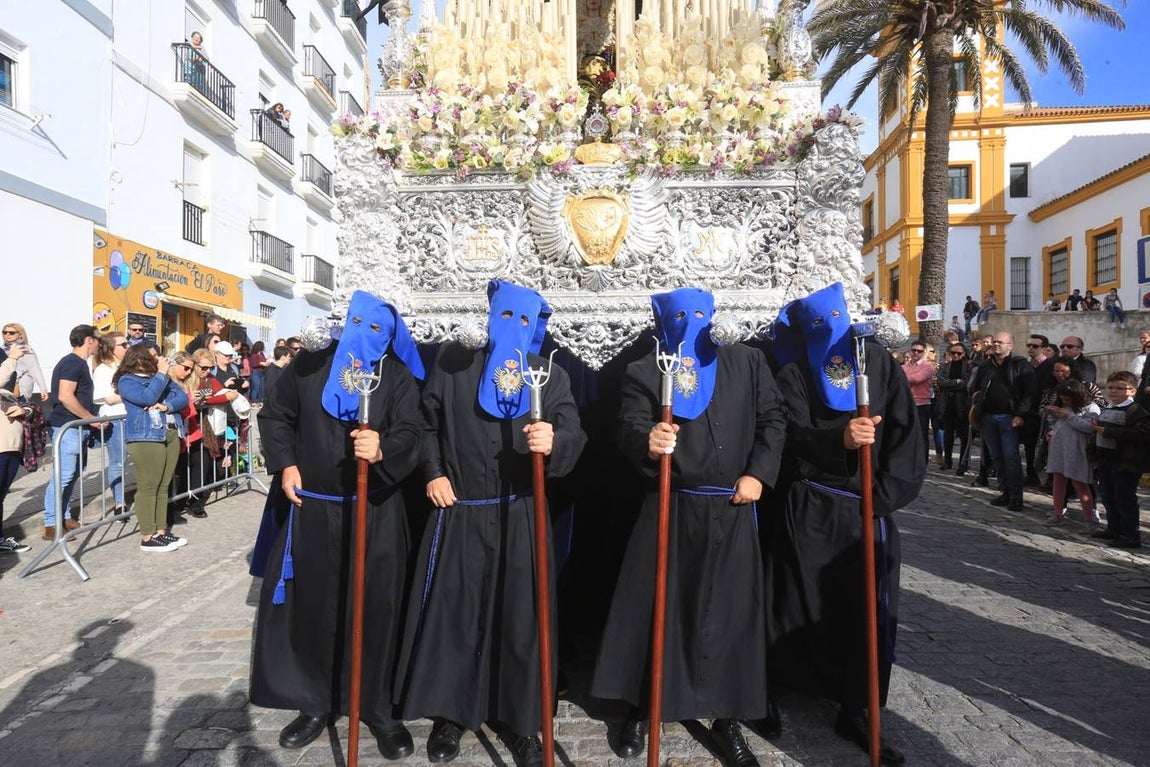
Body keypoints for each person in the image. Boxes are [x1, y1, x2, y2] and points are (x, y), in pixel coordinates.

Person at [592, 287, 785, 765]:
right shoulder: (645, 370)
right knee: (657, 609)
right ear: (662, 321)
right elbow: (628, 426)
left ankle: (728, 718)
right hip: (671, 507)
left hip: (735, 505)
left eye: (701, 312)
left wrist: (759, 473)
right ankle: (644, 704)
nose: (692, 322)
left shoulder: (747, 362)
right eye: (680, 315)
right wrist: (648, 440)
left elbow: (772, 420)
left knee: (730, 615)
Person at [396, 281, 586, 766]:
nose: (514, 329)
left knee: (520, 617)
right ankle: (451, 714)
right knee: (457, 615)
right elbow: (429, 426)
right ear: (489, 316)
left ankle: (522, 722)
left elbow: (573, 432)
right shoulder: (455, 365)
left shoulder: (548, 375)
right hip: (462, 510)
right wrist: (434, 472)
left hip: (521, 512)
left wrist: (554, 439)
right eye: (505, 317)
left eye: (525, 321)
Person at [249, 291, 425, 758]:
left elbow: (413, 431)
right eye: (359, 324)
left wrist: (384, 448)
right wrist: (285, 463)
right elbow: (276, 416)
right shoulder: (308, 367)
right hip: (312, 508)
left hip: (376, 512)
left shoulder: (398, 376)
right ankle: (315, 701)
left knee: (376, 608)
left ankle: (378, 707)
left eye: (378, 329)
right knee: (314, 606)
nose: (366, 336)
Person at [764, 282, 924, 767]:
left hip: (864, 509)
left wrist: (883, 497)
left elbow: (905, 432)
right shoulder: (792, 369)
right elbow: (790, 433)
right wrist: (839, 439)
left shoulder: (876, 363)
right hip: (811, 504)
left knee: (865, 611)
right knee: (792, 600)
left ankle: (857, 706)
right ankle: (775, 689)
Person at [114, 345, 189, 552]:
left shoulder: (159, 378)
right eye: (154, 356)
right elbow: (147, 398)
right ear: (139, 359)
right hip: (145, 437)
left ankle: (161, 532)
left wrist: (166, 406)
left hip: (170, 433)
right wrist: (162, 374)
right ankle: (148, 536)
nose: (159, 360)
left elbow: (182, 398)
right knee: (149, 485)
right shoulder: (128, 380)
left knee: (163, 485)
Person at [42, 325, 104, 540]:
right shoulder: (72, 363)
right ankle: (51, 523)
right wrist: (91, 419)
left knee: (73, 474)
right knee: (63, 475)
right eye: (98, 339)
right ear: (88, 340)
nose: (100, 343)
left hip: (77, 427)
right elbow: (65, 396)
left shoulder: (79, 364)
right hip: (66, 426)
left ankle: (65, 515)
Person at [968, 332, 1037, 512]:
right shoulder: (985, 366)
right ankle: (1005, 491)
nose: (996, 344)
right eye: (995, 342)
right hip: (988, 417)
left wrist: (1020, 414)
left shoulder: (1021, 365)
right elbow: (976, 387)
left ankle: (1016, 496)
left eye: (1001, 342)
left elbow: (1030, 393)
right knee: (997, 457)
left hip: (1009, 418)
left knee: (1011, 457)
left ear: (1010, 346)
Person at [1091, 371, 1150, 549]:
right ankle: (1114, 528)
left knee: (1124, 498)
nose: (1113, 391)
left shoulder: (1135, 411)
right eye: (1110, 388)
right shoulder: (1108, 408)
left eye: (1119, 388)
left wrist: (1109, 432)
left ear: (1132, 391)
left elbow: (1142, 434)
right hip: (1105, 459)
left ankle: (1130, 535)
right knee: (1108, 496)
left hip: (1124, 462)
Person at [1043, 380, 1100, 526]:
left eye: (1067, 399)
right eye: (1063, 399)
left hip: (1077, 450)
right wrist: (1053, 413)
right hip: (1060, 447)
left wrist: (1069, 416)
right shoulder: (1064, 406)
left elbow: (1088, 427)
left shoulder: (1091, 408)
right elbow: (1057, 422)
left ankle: (1089, 518)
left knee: (1079, 482)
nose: (1065, 401)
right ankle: (1057, 512)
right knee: (1058, 479)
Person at [91, 333, 130, 516]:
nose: (127, 346)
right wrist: (134, 393)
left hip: (131, 416)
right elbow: (108, 398)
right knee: (118, 461)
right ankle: (119, 503)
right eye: (123, 344)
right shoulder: (103, 370)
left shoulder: (127, 367)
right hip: (115, 419)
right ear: (111, 348)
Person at [165, 351, 205, 526]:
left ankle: (191, 502)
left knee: (197, 466)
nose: (189, 372)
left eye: (191, 369)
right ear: (174, 364)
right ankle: (171, 510)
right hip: (177, 433)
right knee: (173, 473)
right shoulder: (168, 384)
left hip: (192, 431)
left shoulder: (187, 383)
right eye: (186, 368)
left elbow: (190, 410)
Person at [0, 346, 33, 553]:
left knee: (1, 496)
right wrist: (11, 359)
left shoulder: (5, 393)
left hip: (11, 449)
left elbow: (29, 408)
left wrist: (25, 410)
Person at [935, 342, 972, 474]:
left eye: (959, 353)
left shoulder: (968, 368)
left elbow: (967, 384)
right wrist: (956, 382)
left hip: (962, 406)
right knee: (948, 436)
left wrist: (950, 384)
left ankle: (963, 463)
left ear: (964, 354)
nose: (955, 355)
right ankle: (947, 461)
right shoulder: (945, 367)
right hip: (947, 405)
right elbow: (940, 382)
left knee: (963, 436)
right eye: (953, 353)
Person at [901, 340, 935, 464]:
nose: (915, 353)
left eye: (919, 351)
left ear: (924, 352)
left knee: (921, 435)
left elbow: (917, 379)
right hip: (907, 404)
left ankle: (922, 462)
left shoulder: (927, 367)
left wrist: (905, 376)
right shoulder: (905, 366)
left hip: (922, 405)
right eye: (913, 350)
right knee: (906, 434)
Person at [1, 322, 49, 400]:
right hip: (5, 385)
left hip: (20, 386)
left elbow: (35, 369)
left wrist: (43, 388)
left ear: (20, 334)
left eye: (11, 333)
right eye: (4, 332)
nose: (7, 334)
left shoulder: (25, 349)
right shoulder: (2, 349)